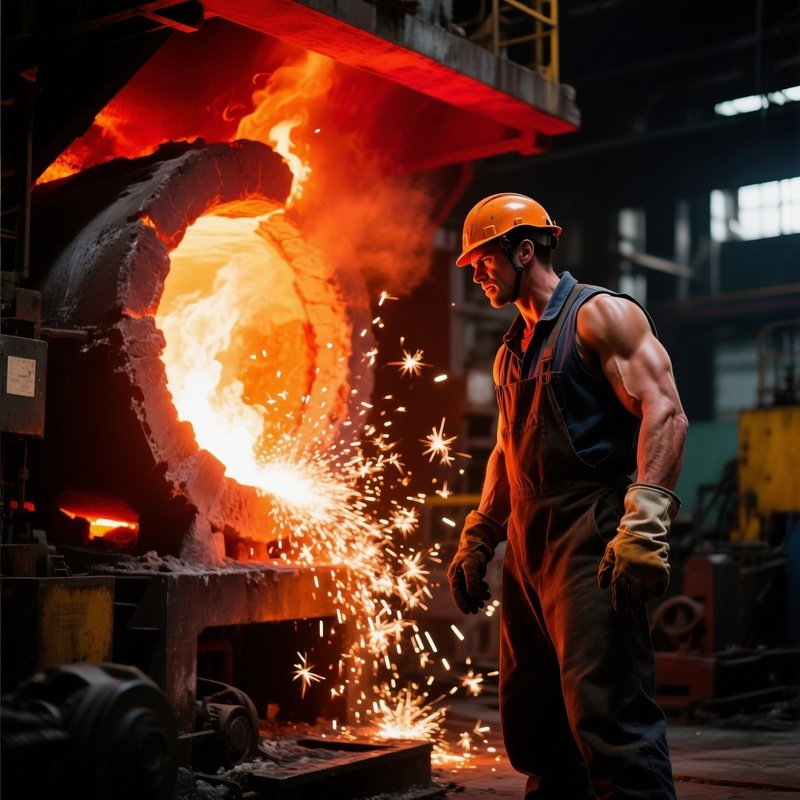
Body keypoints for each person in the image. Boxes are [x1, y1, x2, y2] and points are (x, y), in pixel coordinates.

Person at [447, 193, 688, 799]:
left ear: (524, 249)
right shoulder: (510, 351)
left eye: (483, 258)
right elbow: (506, 452)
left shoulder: (600, 316)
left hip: (591, 535)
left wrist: (646, 521)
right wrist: (481, 532)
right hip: (528, 547)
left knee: (608, 719)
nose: (475, 271)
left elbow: (666, 410)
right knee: (538, 730)